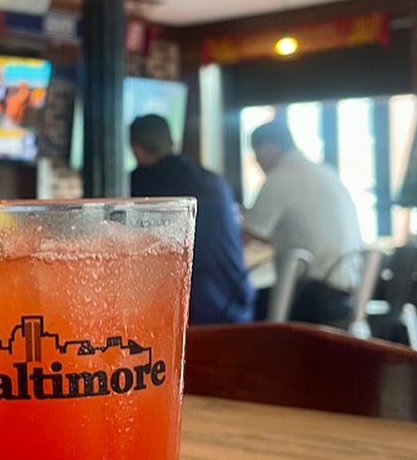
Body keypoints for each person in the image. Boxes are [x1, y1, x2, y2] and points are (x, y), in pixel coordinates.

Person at [129, 113, 253, 325]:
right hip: (238, 306)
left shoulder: (137, 185)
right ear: (172, 143)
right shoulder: (212, 179)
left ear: (136, 149)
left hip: (194, 317)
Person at [243, 119, 363, 325]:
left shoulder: (280, 178)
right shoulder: (325, 171)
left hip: (314, 297)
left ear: (270, 147)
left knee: (241, 306)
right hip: (346, 293)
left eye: (256, 152)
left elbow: (246, 236)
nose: (255, 160)